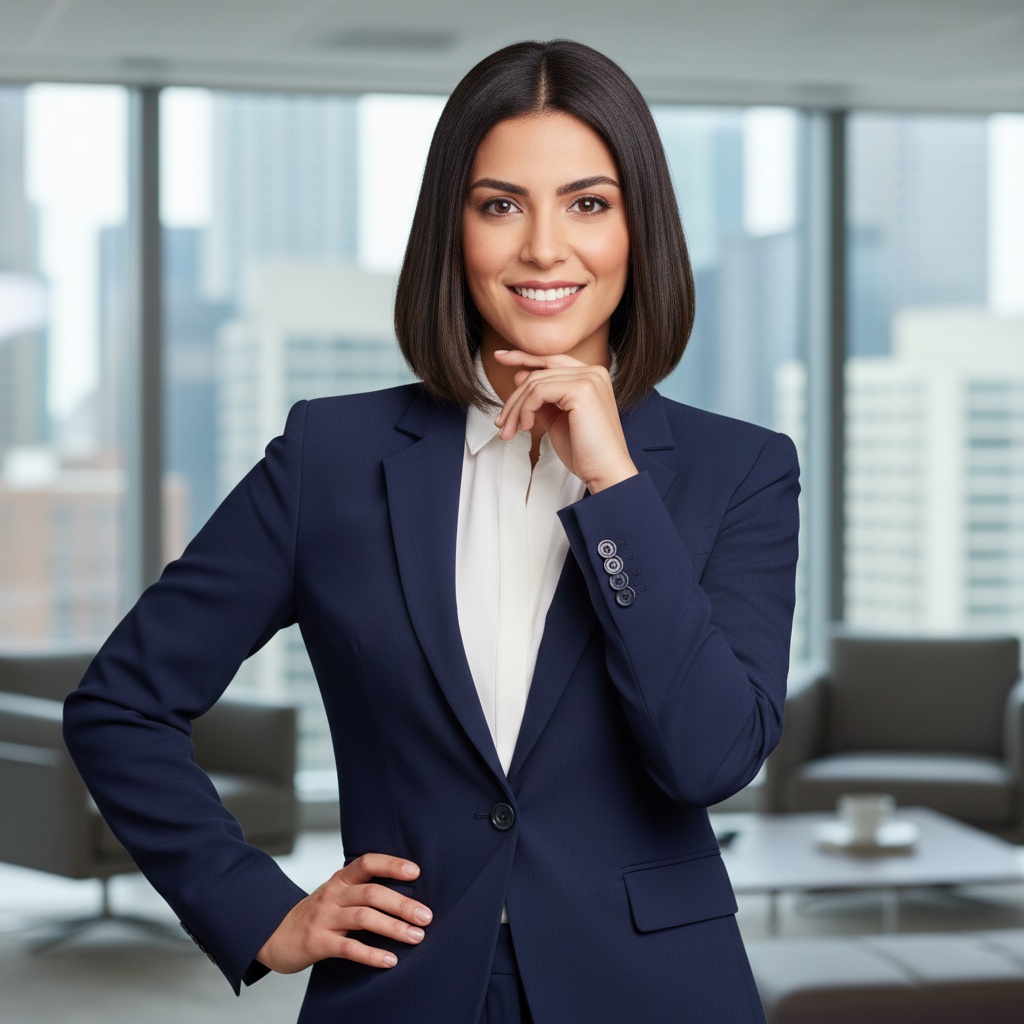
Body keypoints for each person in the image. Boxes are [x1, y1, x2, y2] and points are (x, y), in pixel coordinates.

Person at [64, 39, 799, 1024]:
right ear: (453, 230)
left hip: (654, 991)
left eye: (587, 203)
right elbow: (119, 705)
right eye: (501, 204)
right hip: (402, 988)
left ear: (639, 231)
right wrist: (261, 910)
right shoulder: (331, 456)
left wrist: (612, 483)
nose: (544, 248)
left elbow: (710, 756)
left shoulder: (739, 470)